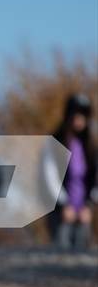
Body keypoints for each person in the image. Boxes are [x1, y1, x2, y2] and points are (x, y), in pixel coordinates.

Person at [41, 93, 97, 249]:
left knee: (81, 260)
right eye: (75, 114)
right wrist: (64, 204)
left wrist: (89, 204)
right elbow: (49, 177)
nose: (78, 119)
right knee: (61, 257)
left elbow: (94, 178)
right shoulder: (54, 142)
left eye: (82, 115)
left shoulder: (90, 146)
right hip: (60, 212)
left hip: (83, 212)